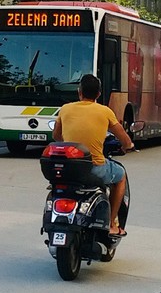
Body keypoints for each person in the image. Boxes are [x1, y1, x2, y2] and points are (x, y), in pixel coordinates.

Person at [52, 74, 135, 237]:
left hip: (69, 169)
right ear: (98, 94)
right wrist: (129, 146)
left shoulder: (65, 109)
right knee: (121, 176)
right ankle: (111, 223)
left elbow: (56, 136)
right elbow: (124, 138)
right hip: (94, 168)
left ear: (79, 92)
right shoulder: (105, 111)